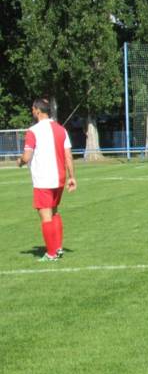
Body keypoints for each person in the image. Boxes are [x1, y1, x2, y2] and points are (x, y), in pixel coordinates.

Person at [17, 98, 77, 261]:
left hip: (43, 178)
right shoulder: (61, 130)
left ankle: (51, 254)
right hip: (59, 178)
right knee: (55, 212)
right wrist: (72, 177)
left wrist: (20, 161)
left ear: (37, 110)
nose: (32, 111)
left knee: (46, 216)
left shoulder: (33, 131)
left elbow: (27, 155)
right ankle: (57, 249)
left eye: (32, 109)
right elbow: (68, 156)